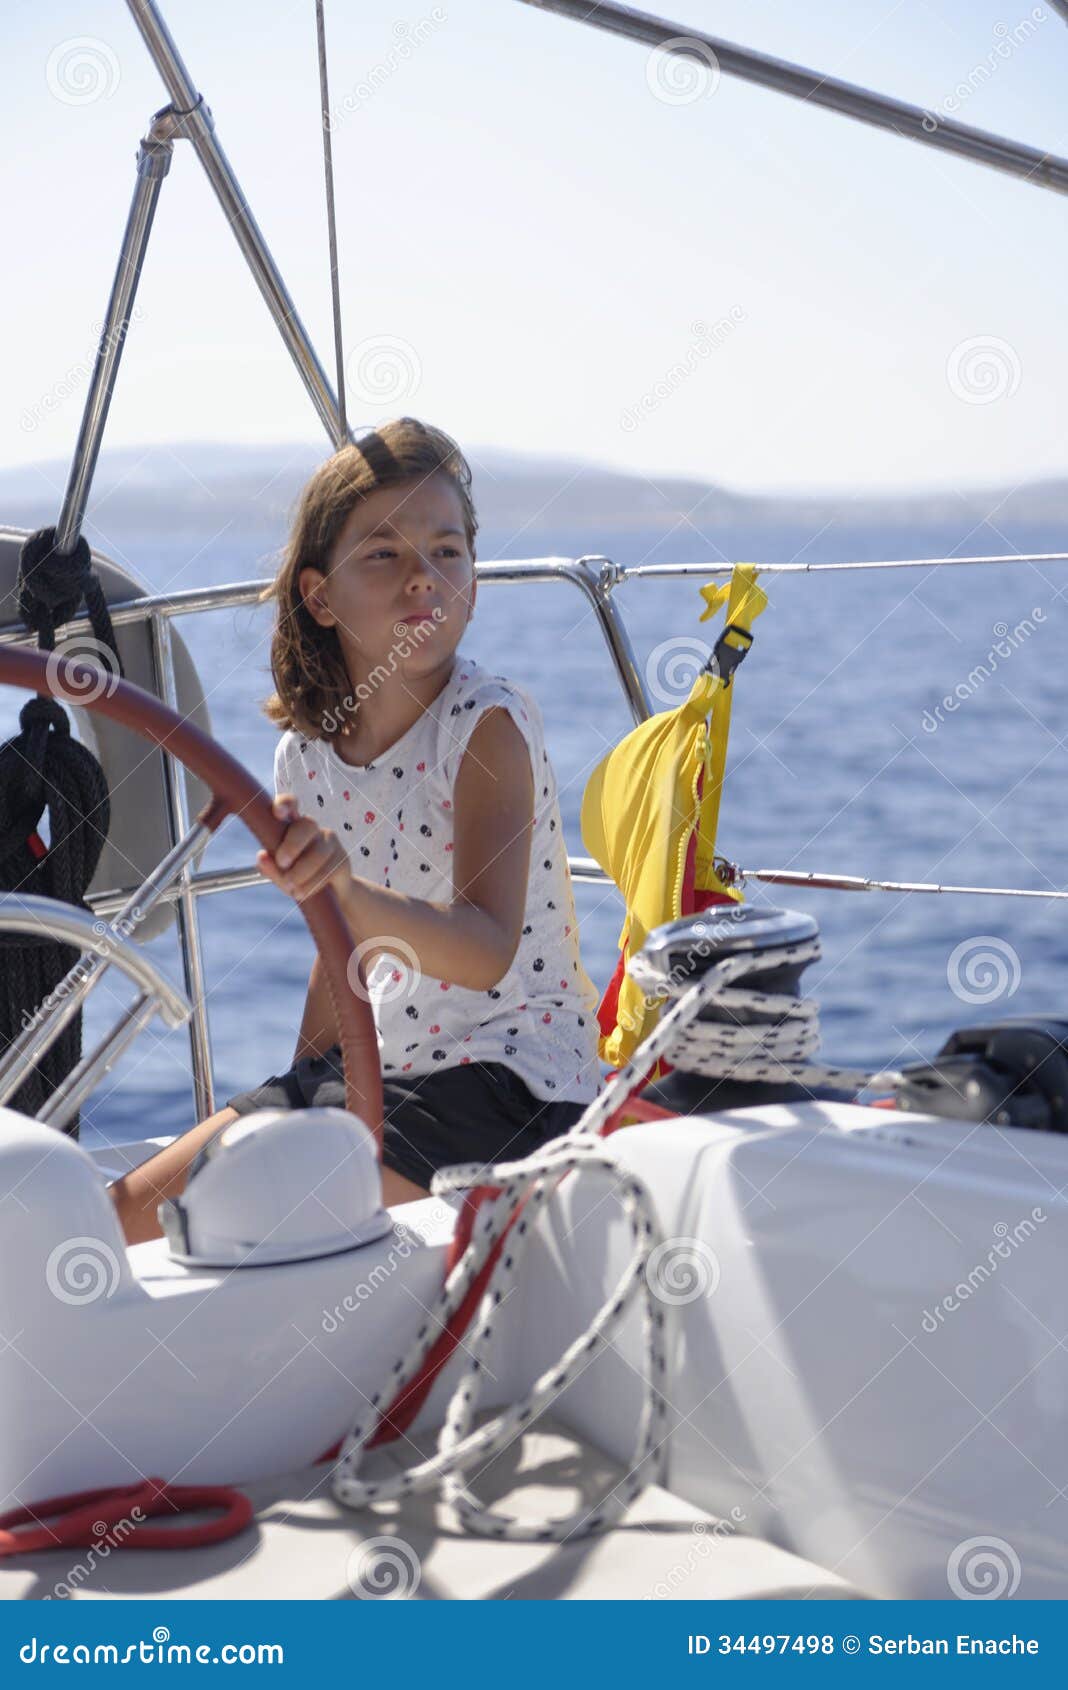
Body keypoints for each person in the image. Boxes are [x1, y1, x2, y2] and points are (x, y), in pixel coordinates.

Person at [110, 417, 603, 1245]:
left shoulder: (486, 726)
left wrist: (342, 891)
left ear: (474, 583)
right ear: (319, 594)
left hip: (511, 1087)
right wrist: (300, 1083)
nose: (423, 579)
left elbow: (485, 950)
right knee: (121, 1218)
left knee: (245, 1219)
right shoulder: (305, 755)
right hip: (378, 1073)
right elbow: (338, 953)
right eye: (384, 554)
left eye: (447, 553)